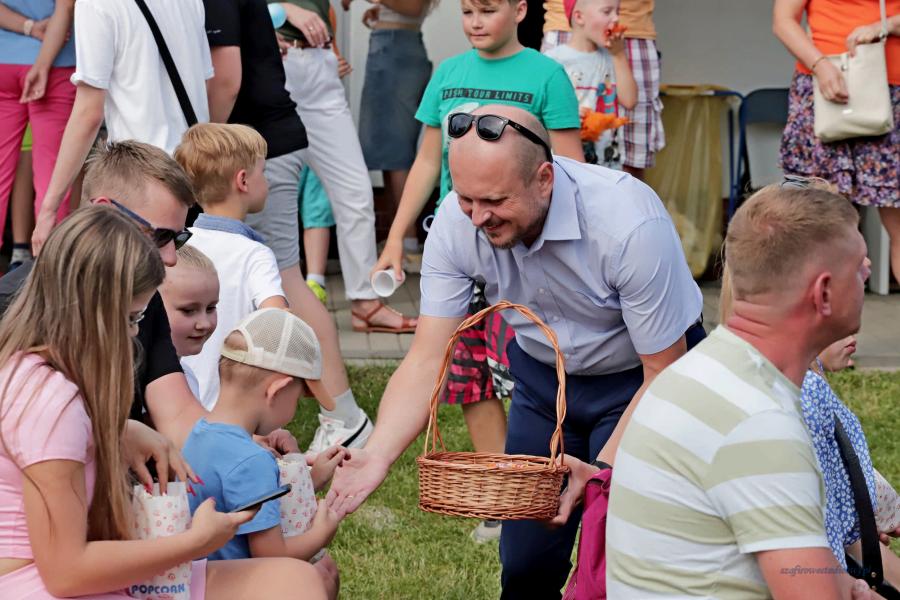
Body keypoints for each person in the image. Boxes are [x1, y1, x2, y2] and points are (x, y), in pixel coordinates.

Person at [329, 105, 704, 598]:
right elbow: (427, 358)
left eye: (494, 200)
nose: (478, 217)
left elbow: (664, 370)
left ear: (544, 179)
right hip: (544, 385)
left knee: (622, 557)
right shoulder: (457, 222)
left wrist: (600, 477)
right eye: (466, 198)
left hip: (641, 380)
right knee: (525, 563)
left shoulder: (627, 222)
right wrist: (376, 454)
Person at [0, 206, 327, 599]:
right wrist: (195, 543)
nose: (133, 334)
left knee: (299, 580)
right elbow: (66, 573)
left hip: (51, 576)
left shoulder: (32, 374)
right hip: (34, 585)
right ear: (91, 314)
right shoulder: (52, 404)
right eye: (131, 318)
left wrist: (117, 431)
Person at [604, 183, 876, 598]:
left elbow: (803, 566)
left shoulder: (701, 371)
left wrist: (849, 586)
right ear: (823, 293)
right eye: (857, 267)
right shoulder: (759, 423)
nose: (868, 272)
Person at [0, 140, 299, 455]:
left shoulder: (146, 298)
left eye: (179, 239)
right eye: (160, 236)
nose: (170, 258)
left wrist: (245, 448)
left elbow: (179, 418)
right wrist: (114, 436)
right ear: (105, 211)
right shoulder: (11, 303)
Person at [203, 0, 400, 451]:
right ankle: (332, 413)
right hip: (267, 139)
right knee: (280, 279)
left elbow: (227, 81)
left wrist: (201, 143)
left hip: (261, 145)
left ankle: (341, 414)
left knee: (284, 281)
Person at [183, 309, 345, 598]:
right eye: (297, 399)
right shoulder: (252, 461)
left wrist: (312, 480)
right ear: (277, 390)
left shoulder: (199, 434)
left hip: (197, 580)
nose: (294, 411)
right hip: (237, 587)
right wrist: (321, 534)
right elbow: (272, 556)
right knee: (322, 575)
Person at [31, 0, 213, 255]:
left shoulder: (96, 5)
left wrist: (49, 208)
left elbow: (88, 114)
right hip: (195, 170)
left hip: (139, 180)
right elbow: (206, 83)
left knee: (137, 276)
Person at [172, 123, 327, 413]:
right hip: (234, 407)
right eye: (263, 172)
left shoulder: (178, 246)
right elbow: (277, 320)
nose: (266, 182)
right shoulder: (255, 254)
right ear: (243, 181)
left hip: (178, 401)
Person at [773, 0, 900, 284]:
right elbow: (783, 21)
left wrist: (886, 25)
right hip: (824, 86)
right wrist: (821, 66)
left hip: (892, 90)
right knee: (823, 224)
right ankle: (830, 313)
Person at [349, 0, 436, 258]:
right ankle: (399, 239)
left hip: (395, 49)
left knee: (396, 151)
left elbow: (413, 8)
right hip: (394, 46)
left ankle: (407, 242)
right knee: (389, 153)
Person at [541, 0, 664, 179]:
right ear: (579, 17)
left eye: (617, 12)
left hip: (608, 163)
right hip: (563, 164)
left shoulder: (612, 58)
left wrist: (619, 54)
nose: (616, 18)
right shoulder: (552, 60)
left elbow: (629, 100)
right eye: (607, 12)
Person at [0, 0, 76, 260]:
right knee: (53, 178)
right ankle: (50, 268)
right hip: (56, 62)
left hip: (4, 61)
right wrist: (42, 64)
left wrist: (29, 27)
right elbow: (65, 8)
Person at [159, 244, 220, 399]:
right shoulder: (139, 383)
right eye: (188, 310)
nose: (204, 324)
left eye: (210, 308)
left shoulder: (187, 376)